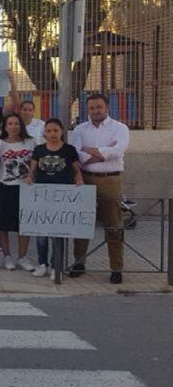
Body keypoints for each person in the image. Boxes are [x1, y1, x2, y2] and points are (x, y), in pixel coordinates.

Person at [69, 93, 131, 284]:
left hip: (110, 180)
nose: (95, 111)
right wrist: (104, 152)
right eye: (92, 108)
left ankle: (116, 268)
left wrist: (92, 151)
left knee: (113, 225)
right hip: (85, 179)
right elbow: (76, 154)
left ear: (106, 107)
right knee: (81, 223)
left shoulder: (120, 128)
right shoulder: (79, 129)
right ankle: (79, 263)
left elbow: (118, 150)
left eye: (99, 107)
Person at [26, 118, 83, 279]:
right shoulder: (39, 150)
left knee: (58, 234)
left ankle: (55, 266)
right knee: (41, 234)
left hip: (62, 198)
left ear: (62, 132)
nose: (52, 134)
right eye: (49, 131)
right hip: (42, 197)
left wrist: (79, 180)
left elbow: (76, 170)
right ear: (44, 133)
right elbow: (33, 169)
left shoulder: (69, 150)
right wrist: (30, 179)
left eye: (55, 130)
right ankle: (42, 264)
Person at [0, 113, 36, 272]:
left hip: (25, 187)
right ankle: (7, 257)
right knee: (4, 225)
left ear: (21, 125)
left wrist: (31, 175)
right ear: (5, 127)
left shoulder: (31, 142)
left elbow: (35, 162)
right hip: (5, 186)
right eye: (10, 124)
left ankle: (23, 257)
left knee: (24, 223)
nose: (13, 126)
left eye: (16, 123)